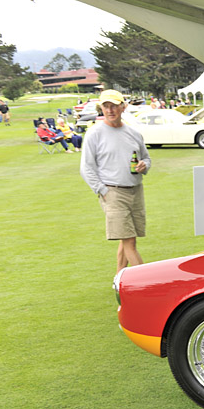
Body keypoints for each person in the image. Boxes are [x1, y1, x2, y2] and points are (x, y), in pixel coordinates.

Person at [79, 89, 152, 273]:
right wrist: (102, 191)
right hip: (112, 192)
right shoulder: (94, 134)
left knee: (126, 237)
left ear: (123, 107)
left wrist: (144, 166)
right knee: (130, 241)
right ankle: (144, 283)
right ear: (101, 108)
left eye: (114, 106)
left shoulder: (134, 133)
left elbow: (146, 158)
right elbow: (86, 167)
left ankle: (119, 279)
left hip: (135, 190)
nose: (110, 110)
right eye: (106, 106)